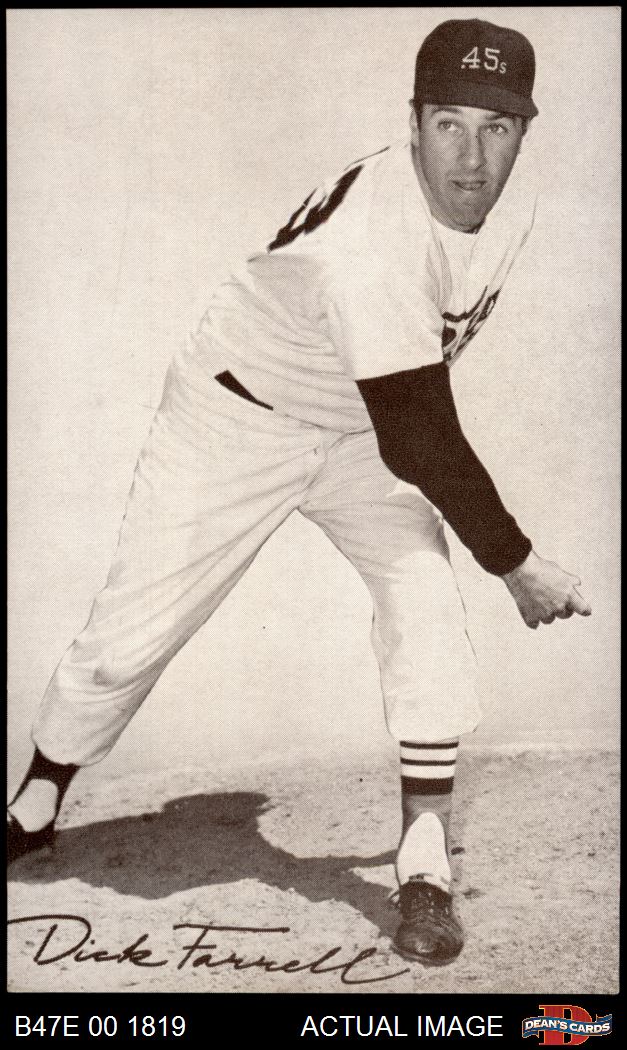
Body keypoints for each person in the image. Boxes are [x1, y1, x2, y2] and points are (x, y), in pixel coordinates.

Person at [8, 19, 591, 966]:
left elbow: (403, 405)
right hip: (237, 415)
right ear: (412, 123)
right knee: (129, 635)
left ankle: (424, 862)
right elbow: (420, 435)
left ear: (525, 132)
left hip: (359, 424)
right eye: (448, 124)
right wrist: (517, 563)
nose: (472, 156)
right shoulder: (370, 243)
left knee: (423, 602)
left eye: (496, 127)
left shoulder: (502, 205)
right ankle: (35, 802)